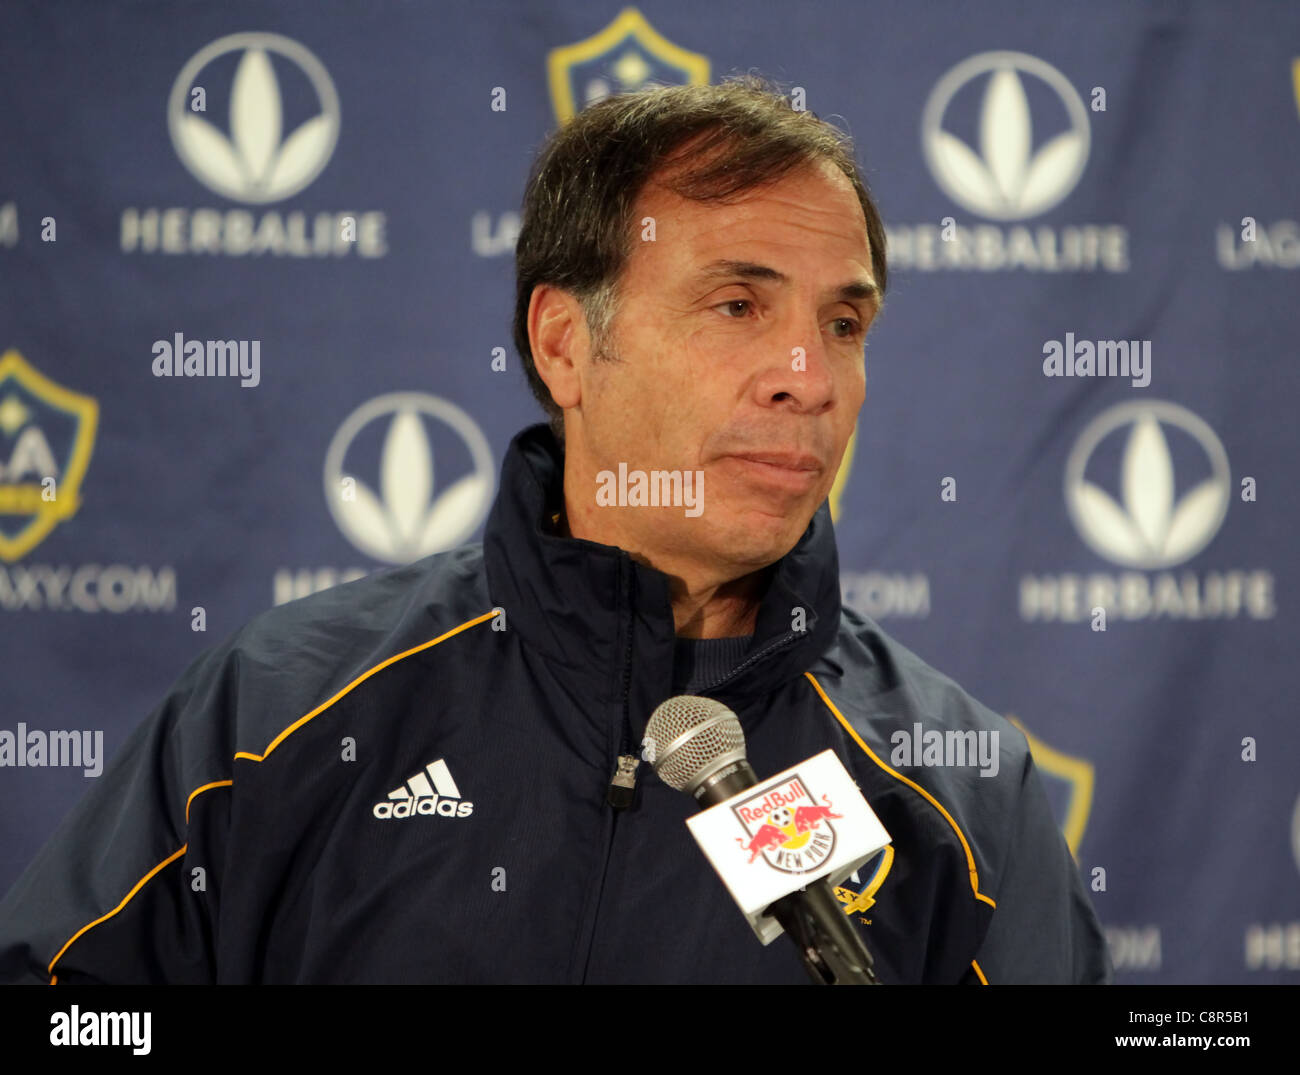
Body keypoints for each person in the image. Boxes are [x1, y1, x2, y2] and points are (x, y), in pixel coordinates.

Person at [0, 75, 1110, 984]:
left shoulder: (953, 792)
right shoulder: (274, 716)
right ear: (565, 344)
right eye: (737, 305)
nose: (808, 377)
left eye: (844, 322)